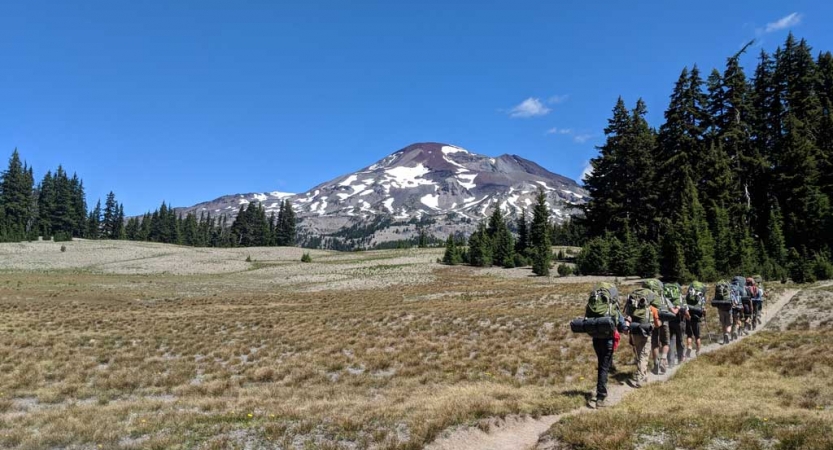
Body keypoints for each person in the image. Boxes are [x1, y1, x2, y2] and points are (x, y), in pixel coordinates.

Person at [624, 288, 660, 389]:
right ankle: (640, 378)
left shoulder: (632, 308)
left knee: (639, 354)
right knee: (644, 355)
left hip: (634, 332)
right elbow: (657, 324)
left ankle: (644, 375)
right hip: (645, 332)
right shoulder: (651, 308)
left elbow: (628, 318)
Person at [663, 282, 685, 367]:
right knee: (680, 340)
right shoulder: (679, 296)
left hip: (669, 320)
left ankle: (671, 362)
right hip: (679, 320)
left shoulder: (666, 297)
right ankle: (680, 359)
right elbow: (683, 308)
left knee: (671, 340)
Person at [684, 282, 707, 357]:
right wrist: (704, 315)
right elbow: (704, 309)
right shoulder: (701, 297)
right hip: (696, 318)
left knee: (689, 335)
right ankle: (697, 351)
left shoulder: (689, 295)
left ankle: (689, 347)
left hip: (688, 317)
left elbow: (684, 305)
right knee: (697, 336)